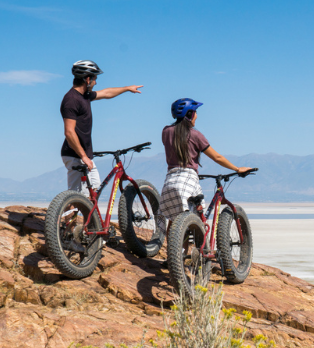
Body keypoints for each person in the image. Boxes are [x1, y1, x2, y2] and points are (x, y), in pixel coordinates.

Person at [160, 98, 253, 230]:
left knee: (174, 221)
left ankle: (174, 250)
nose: (197, 116)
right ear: (189, 114)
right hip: (188, 180)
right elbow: (217, 157)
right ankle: (194, 247)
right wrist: (237, 168)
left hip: (169, 181)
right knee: (195, 221)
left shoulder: (166, 131)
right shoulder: (195, 135)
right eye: (195, 112)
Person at [60, 60, 143, 196]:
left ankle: (87, 217)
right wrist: (83, 156)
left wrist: (127, 88)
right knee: (76, 197)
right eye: (95, 79)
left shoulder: (84, 96)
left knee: (93, 195)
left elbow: (106, 93)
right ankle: (66, 217)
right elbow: (69, 132)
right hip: (75, 154)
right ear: (88, 79)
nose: (96, 83)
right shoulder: (71, 99)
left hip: (83, 155)